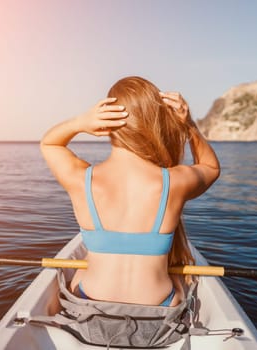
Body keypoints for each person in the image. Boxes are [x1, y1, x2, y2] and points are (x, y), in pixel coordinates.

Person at [40, 76, 220, 307]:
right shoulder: (173, 182)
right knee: (178, 276)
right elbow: (211, 168)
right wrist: (189, 125)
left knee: (81, 272)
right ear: (155, 123)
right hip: (158, 312)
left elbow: (50, 144)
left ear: (106, 125)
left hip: (91, 309)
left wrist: (79, 123)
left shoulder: (81, 179)